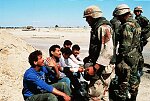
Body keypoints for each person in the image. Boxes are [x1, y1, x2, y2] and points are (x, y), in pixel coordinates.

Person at [83, 5, 114, 101]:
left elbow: (108, 51)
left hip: (101, 69)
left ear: (93, 16)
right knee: (104, 95)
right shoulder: (98, 27)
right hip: (103, 67)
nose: (86, 21)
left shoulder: (102, 27)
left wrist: (95, 68)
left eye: (87, 18)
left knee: (94, 96)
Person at [115, 4, 141, 101]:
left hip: (126, 58)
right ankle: (133, 97)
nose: (118, 18)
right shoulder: (136, 23)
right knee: (134, 79)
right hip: (135, 56)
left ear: (121, 14)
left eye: (118, 16)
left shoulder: (127, 26)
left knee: (123, 80)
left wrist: (119, 59)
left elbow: (125, 46)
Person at [134, 6, 150, 77]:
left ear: (140, 12)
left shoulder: (143, 18)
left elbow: (148, 27)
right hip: (138, 38)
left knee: (139, 53)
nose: (137, 12)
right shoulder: (136, 18)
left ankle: (140, 69)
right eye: (136, 11)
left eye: (138, 11)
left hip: (141, 38)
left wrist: (141, 31)